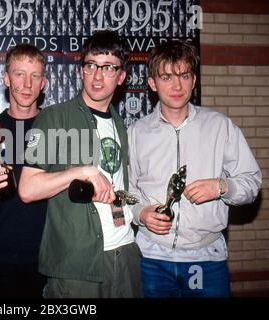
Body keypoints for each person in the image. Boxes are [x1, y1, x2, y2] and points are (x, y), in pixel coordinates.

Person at [127, 40, 262, 298]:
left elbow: (252, 183)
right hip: (151, 259)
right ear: (153, 84)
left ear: (194, 80)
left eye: (184, 75)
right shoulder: (136, 133)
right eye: (167, 77)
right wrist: (140, 212)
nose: (177, 86)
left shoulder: (220, 127)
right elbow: (127, 191)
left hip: (206, 259)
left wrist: (223, 187)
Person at [19, 30, 142, 298]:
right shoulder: (53, 118)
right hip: (76, 266)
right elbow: (27, 189)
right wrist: (82, 172)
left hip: (127, 253)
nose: (98, 76)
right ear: (81, 71)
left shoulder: (121, 124)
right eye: (91, 66)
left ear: (121, 77)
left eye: (108, 67)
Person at [0, 43, 48, 298]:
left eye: (35, 76)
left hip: (45, 259)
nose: (27, 84)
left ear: (44, 83)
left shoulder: (56, 129)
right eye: (19, 74)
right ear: (6, 79)